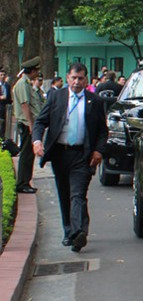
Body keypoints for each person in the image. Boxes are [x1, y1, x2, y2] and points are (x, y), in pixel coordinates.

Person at [32, 63, 108, 252]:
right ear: (67, 78)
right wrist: (36, 141)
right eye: (73, 78)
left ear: (86, 79)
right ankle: (68, 231)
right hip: (59, 153)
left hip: (82, 154)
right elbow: (41, 121)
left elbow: (102, 131)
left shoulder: (95, 101)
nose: (76, 82)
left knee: (78, 193)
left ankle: (79, 232)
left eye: (81, 78)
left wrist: (99, 151)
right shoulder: (56, 97)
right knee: (64, 193)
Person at [13, 56, 43, 193]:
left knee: (29, 154)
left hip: (29, 123)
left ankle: (26, 182)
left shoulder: (26, 83)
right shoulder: (22, 84)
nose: (37, 73)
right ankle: (22, 183)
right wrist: (31, 125)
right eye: (36, 71)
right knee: (26, 154)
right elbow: (25, 105)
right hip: (26, 124)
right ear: (32, 71)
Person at [0, 69, 12, 137]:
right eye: (1, 75)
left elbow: (9, 97)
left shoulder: (7, 85)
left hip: (4, 108)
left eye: (4, 75)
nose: (2, 76)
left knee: (3, 127)